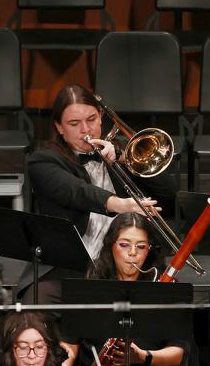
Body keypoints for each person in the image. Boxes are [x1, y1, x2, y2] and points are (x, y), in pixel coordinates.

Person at [23, 84, 176, 301]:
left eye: (92, 119)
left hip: (127, 263)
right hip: (73, 265)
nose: (86, 130)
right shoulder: (43, 160)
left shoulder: (122, 150)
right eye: (74, 124)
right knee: (36, 301)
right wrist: (121, 205)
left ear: (102, 117)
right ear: (59, 127)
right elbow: (77, 192)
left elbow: (169, 192)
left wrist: (125, 159)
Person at [67, 214, 186, 366]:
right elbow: (70, 343)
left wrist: (142, 356)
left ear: (149, 250)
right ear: (111, 245)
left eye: (141, 247)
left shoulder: (165, 288)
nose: (133, 253)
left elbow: (177, 353)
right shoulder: (91, 287)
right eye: (124, 245)